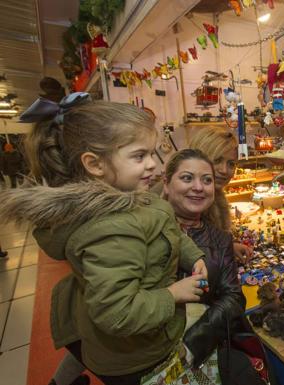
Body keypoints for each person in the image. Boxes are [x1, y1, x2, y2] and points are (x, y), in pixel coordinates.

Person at [0, 94, 208, 385]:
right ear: (95, 164)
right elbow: (117, 312)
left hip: (137, 337)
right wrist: (173, 294)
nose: (154, 165)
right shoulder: (110, 230)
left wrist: (193, 255)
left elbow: (165, 226)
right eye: (139, 156)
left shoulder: (133, 196)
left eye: (153, 153)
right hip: (134, 356)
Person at [162, 148, 246, 367]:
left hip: (197, 350)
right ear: (166, 183)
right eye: (187, 178)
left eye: (206, 180)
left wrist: (192, 343)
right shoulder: (146, 230)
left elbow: (233, 298)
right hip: (149, 347)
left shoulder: (220, 239)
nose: (198, 187)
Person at [187, 126, 253, 263]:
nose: (224, 170)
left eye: (231, 164)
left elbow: (206, 244)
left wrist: (229, 247)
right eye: (216, 160)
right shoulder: (184, 201)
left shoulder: (214, 195)